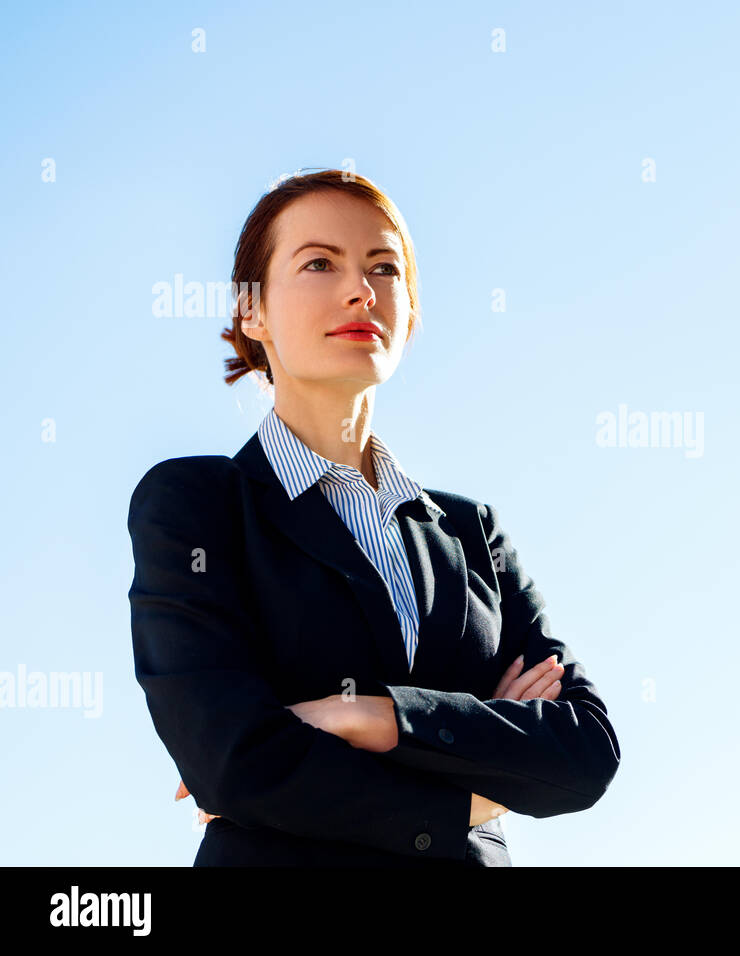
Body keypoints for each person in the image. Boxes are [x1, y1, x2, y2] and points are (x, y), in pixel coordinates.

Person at [126, 169, 620, 866]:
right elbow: (235, 761)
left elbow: (583, 751)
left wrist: (370, 715)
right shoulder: (196, 504)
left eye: (383, 267)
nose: (360, 289)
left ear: (410, 315)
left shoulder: (471, 531)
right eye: (319, 263)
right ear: (252, 312)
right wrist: (483, 784)